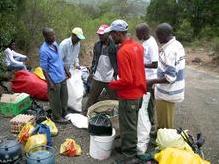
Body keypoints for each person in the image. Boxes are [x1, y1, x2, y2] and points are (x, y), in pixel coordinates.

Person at [105, 19, 147, 161]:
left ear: (118, 33)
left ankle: (129, 156)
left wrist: (112, 84)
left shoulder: (123, 51)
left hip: (129, 96)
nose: (111, 37)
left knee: (128, 126)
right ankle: (126, 146)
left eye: (112, 34)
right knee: (130, 123)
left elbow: (127, 80)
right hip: (139, 93)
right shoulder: (138, 46)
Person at [149, 23, 185, 129]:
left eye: (158, 35)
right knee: (162, 119)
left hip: (167, 94)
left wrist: (151, 81)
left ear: (164, 34)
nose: (157, 38)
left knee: (165, 125)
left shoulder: (169, 51)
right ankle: (159, 135)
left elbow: (170, 78)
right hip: (169, 92)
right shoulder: (177, 44)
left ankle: (163, 143)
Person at [83, 24, 117, 115]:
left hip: (110, 77)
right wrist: (92, 71)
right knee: (92, 96)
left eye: (102, 34)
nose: (100, 36)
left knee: (115, 97)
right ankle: (86, 113)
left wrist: (116, 75)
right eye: (99, 34)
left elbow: (117, 62)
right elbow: (95, 59)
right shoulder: (97, 45)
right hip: (98, 75)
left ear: (108, 34)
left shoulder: (114, 46)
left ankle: (118, 114)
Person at [39, 27, 70, 124]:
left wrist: (65, 70)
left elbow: (59, 59)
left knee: (64, 96)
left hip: (62, 75)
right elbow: (44, 69)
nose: (53, 37)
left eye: (54, 34)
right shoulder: (44, 50)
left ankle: (64, 112)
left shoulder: (55, 44)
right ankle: (57, 117)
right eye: (51, 36)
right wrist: (50, 83)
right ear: (45, 37)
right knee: (55, 100)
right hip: (54, 79)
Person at [136, 23, 159, 132]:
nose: (137, 36)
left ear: (144, 33)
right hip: (144, 77)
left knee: (149, 102)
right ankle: (145, 122)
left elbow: (155, 64)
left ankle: (151, 125)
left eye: (138, 33)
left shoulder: (151, 44)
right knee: (143, 101)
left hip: (150, 79)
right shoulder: (146, 42)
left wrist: (140, 64)